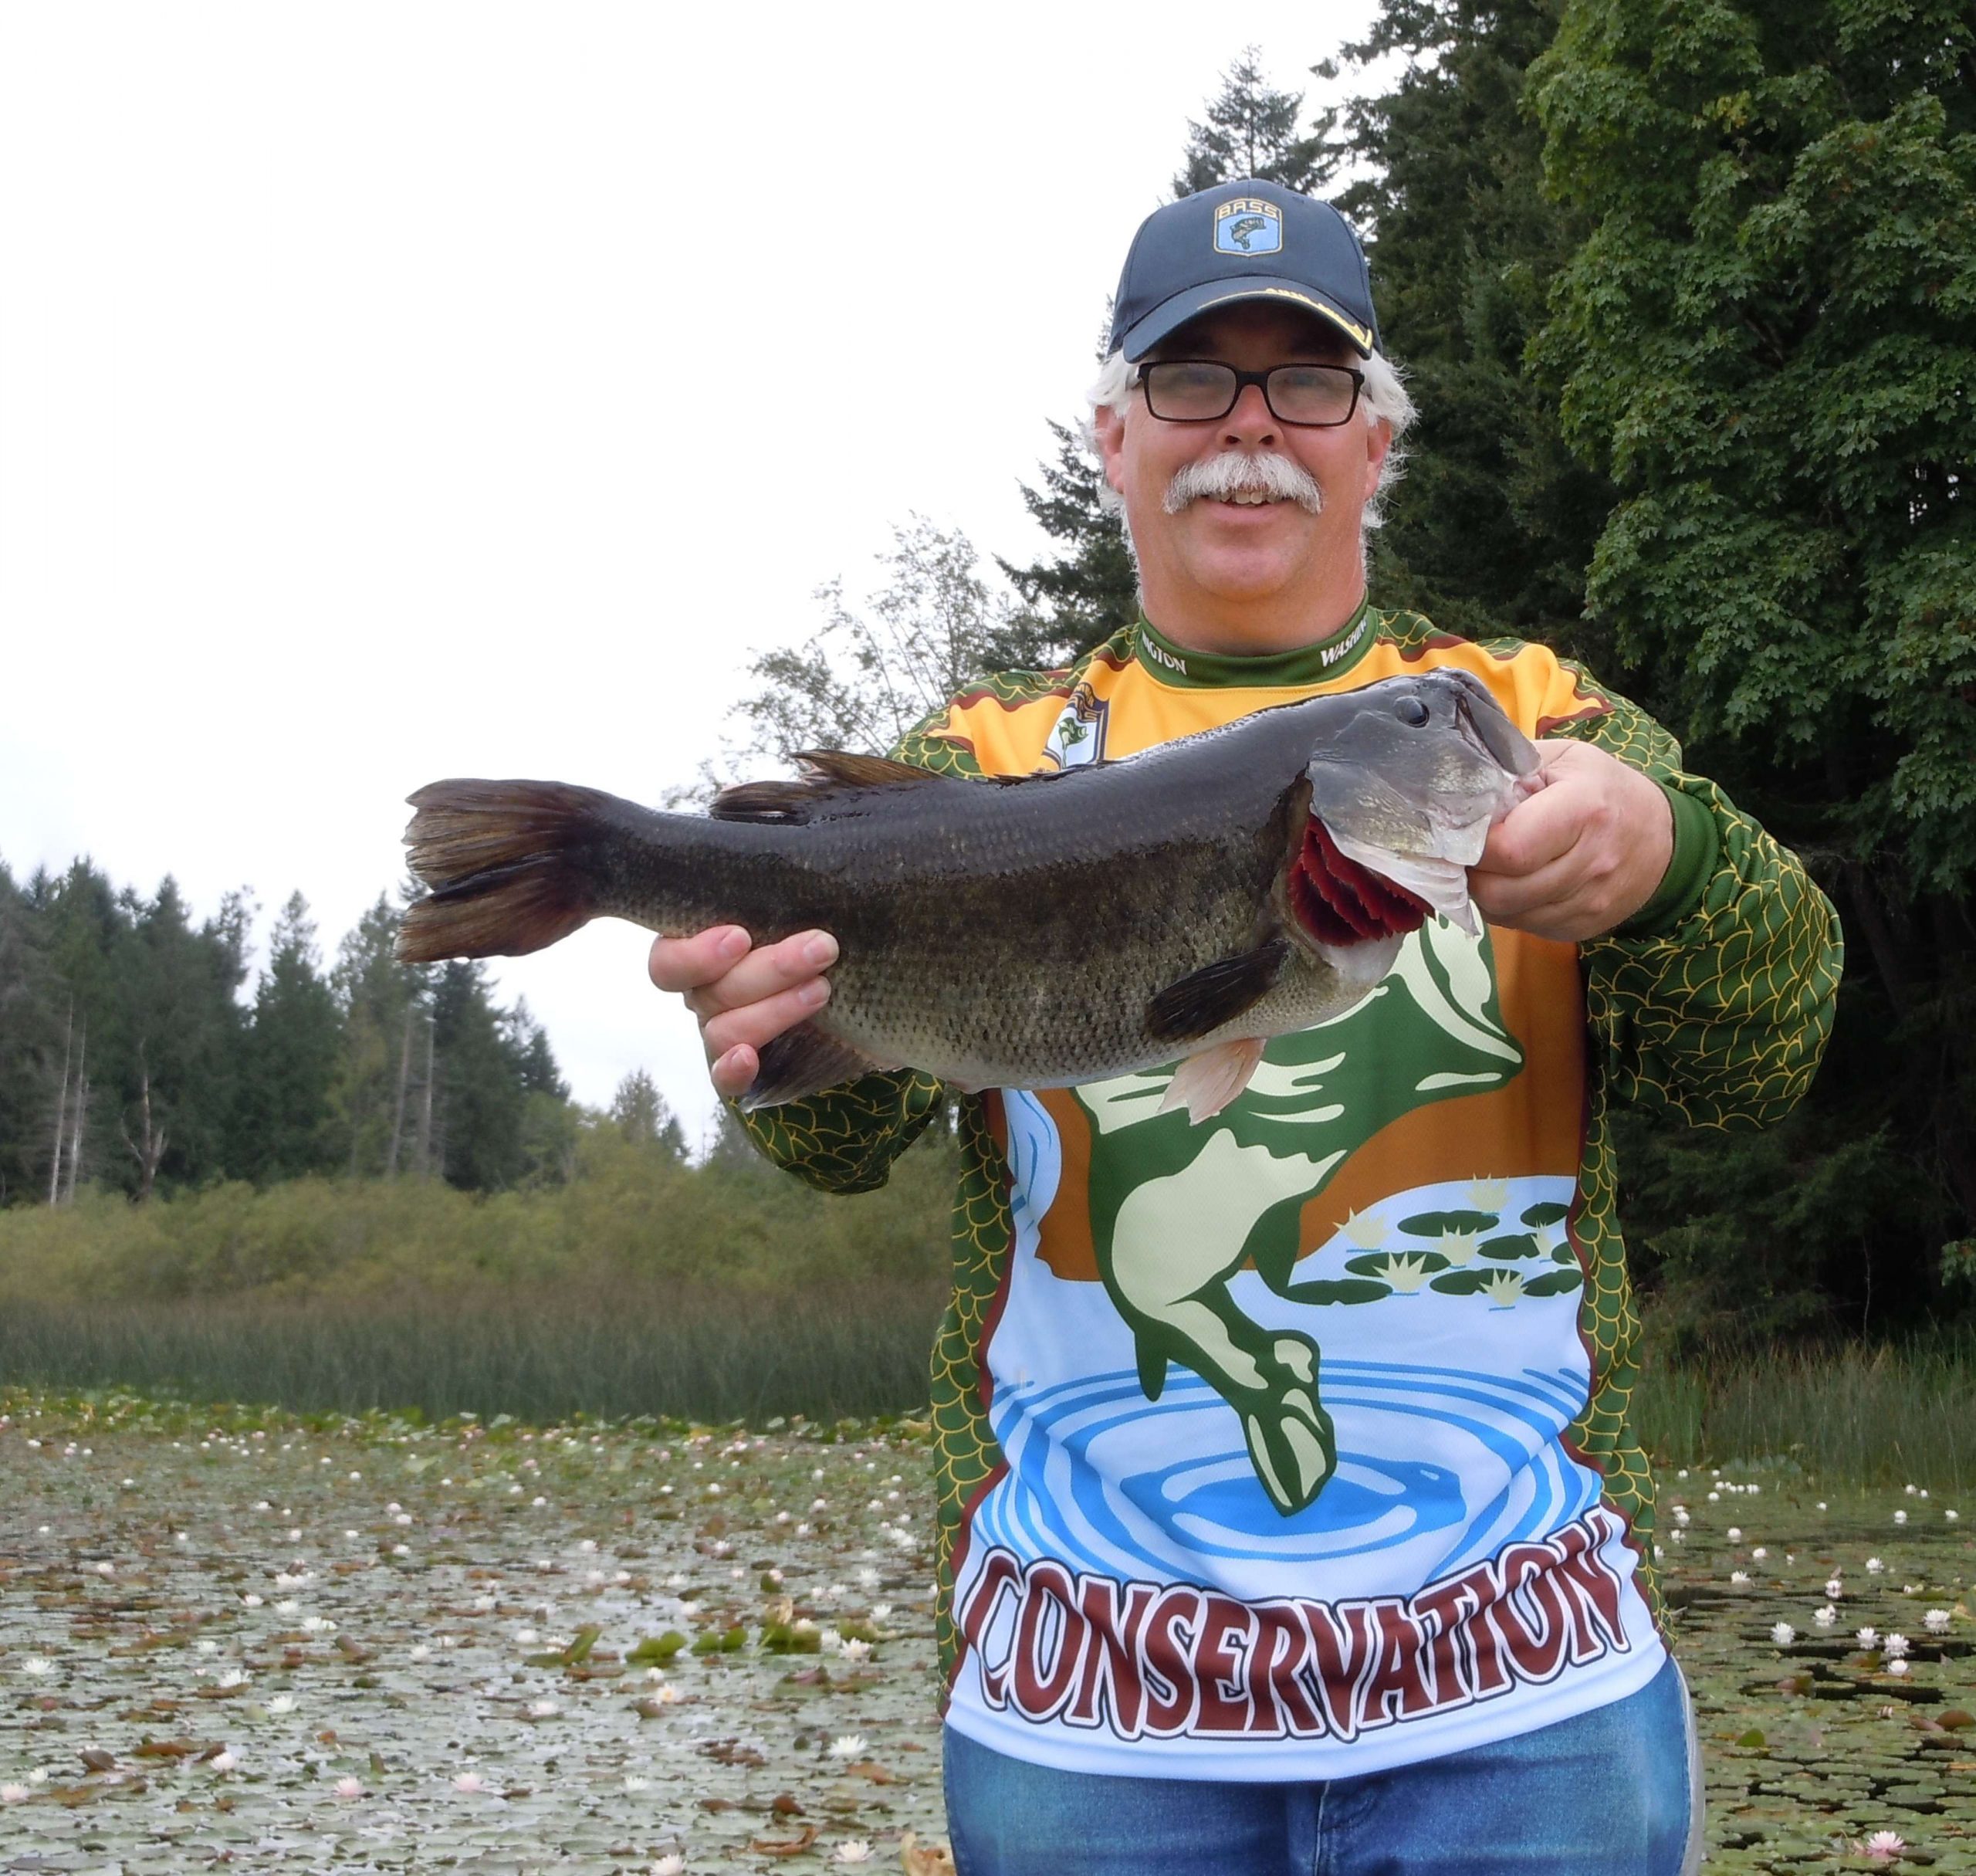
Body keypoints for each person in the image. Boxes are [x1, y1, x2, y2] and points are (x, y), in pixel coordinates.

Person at [650, 179, 1840, 1874]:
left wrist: (1672, 863)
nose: (1248, 431)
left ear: (1375, 446)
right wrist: (761, 1040)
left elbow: (1760, 1055)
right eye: (1193, 379)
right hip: (1092, 1704)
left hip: (1526, 1696)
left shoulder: (1524, 722)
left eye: (1309, 382)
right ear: (1112, 435)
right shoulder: (973, 763)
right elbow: (839, 1145)